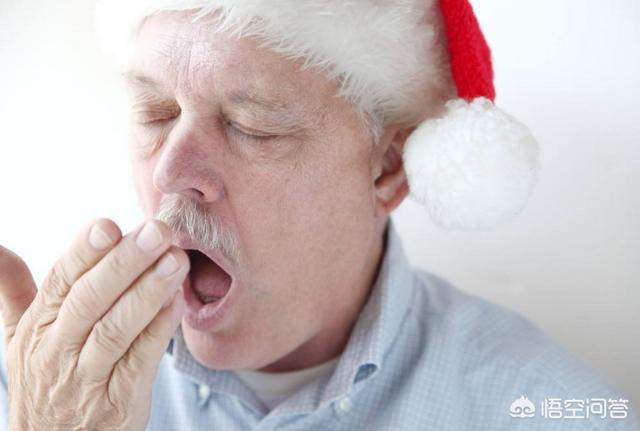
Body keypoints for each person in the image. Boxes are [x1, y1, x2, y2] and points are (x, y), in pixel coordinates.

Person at [0, 0, 637, 429]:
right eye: (155, 113)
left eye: (252, 126)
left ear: (388, 168)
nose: (170, 172)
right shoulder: (38, 387)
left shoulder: (548, 411)